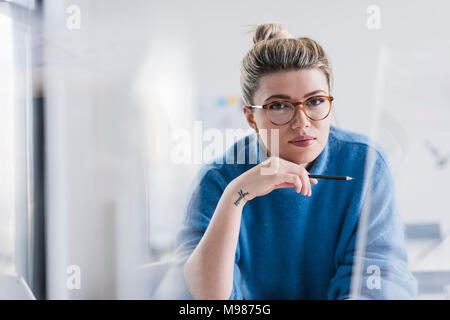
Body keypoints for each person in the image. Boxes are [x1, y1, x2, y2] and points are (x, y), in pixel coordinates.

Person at [174, 23, 417, 299]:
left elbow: (380, 280)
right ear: (251, 117)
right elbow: (206, 298)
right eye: (278, 106)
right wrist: (235, 197)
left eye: (314, 101)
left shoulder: (364, 163)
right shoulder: (218, 180)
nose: (301, 122)